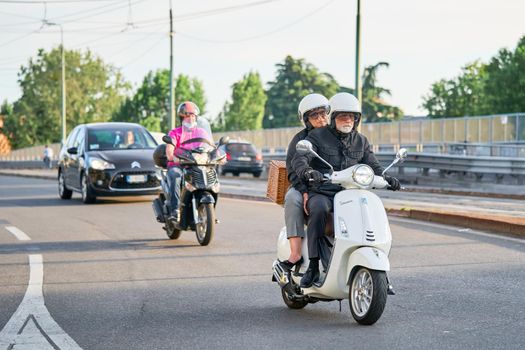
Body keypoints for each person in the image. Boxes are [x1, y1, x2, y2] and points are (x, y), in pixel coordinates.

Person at [292, 92, 401, 288]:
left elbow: (374, 166)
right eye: (343, 116)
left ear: (357, 119)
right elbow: (300, 159)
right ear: (333, 118)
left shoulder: (361, 141)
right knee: (318, 210)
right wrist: (308, 171)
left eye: (352, 116)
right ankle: (314, 265)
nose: (348, 120)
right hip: (324, 191)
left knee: (368, 211)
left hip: (352, 192)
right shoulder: (316, 136)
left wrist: (387, 179)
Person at [279, 93, 330, 271]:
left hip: (332, 185)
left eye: (323, 113)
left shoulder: (336, 135)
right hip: (305, 185)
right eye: (314, 115)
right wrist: (304, 190)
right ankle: (295, 254)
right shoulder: (300, 140)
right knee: (293, 199)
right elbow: (292, 170)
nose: (321, 118)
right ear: (306, 119)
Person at [165, 101, 210, 221]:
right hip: (179, 164)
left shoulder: (202, 132)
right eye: (188, 115)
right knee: (176, 176)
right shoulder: (175, 133)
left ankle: (209, 209)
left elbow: (209, 146)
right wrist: (173, 157)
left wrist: (218, 154)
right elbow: (170, 149)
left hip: (195, 164)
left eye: (193, 115)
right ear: (182, 117)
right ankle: (175, 210)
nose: (191, 118)